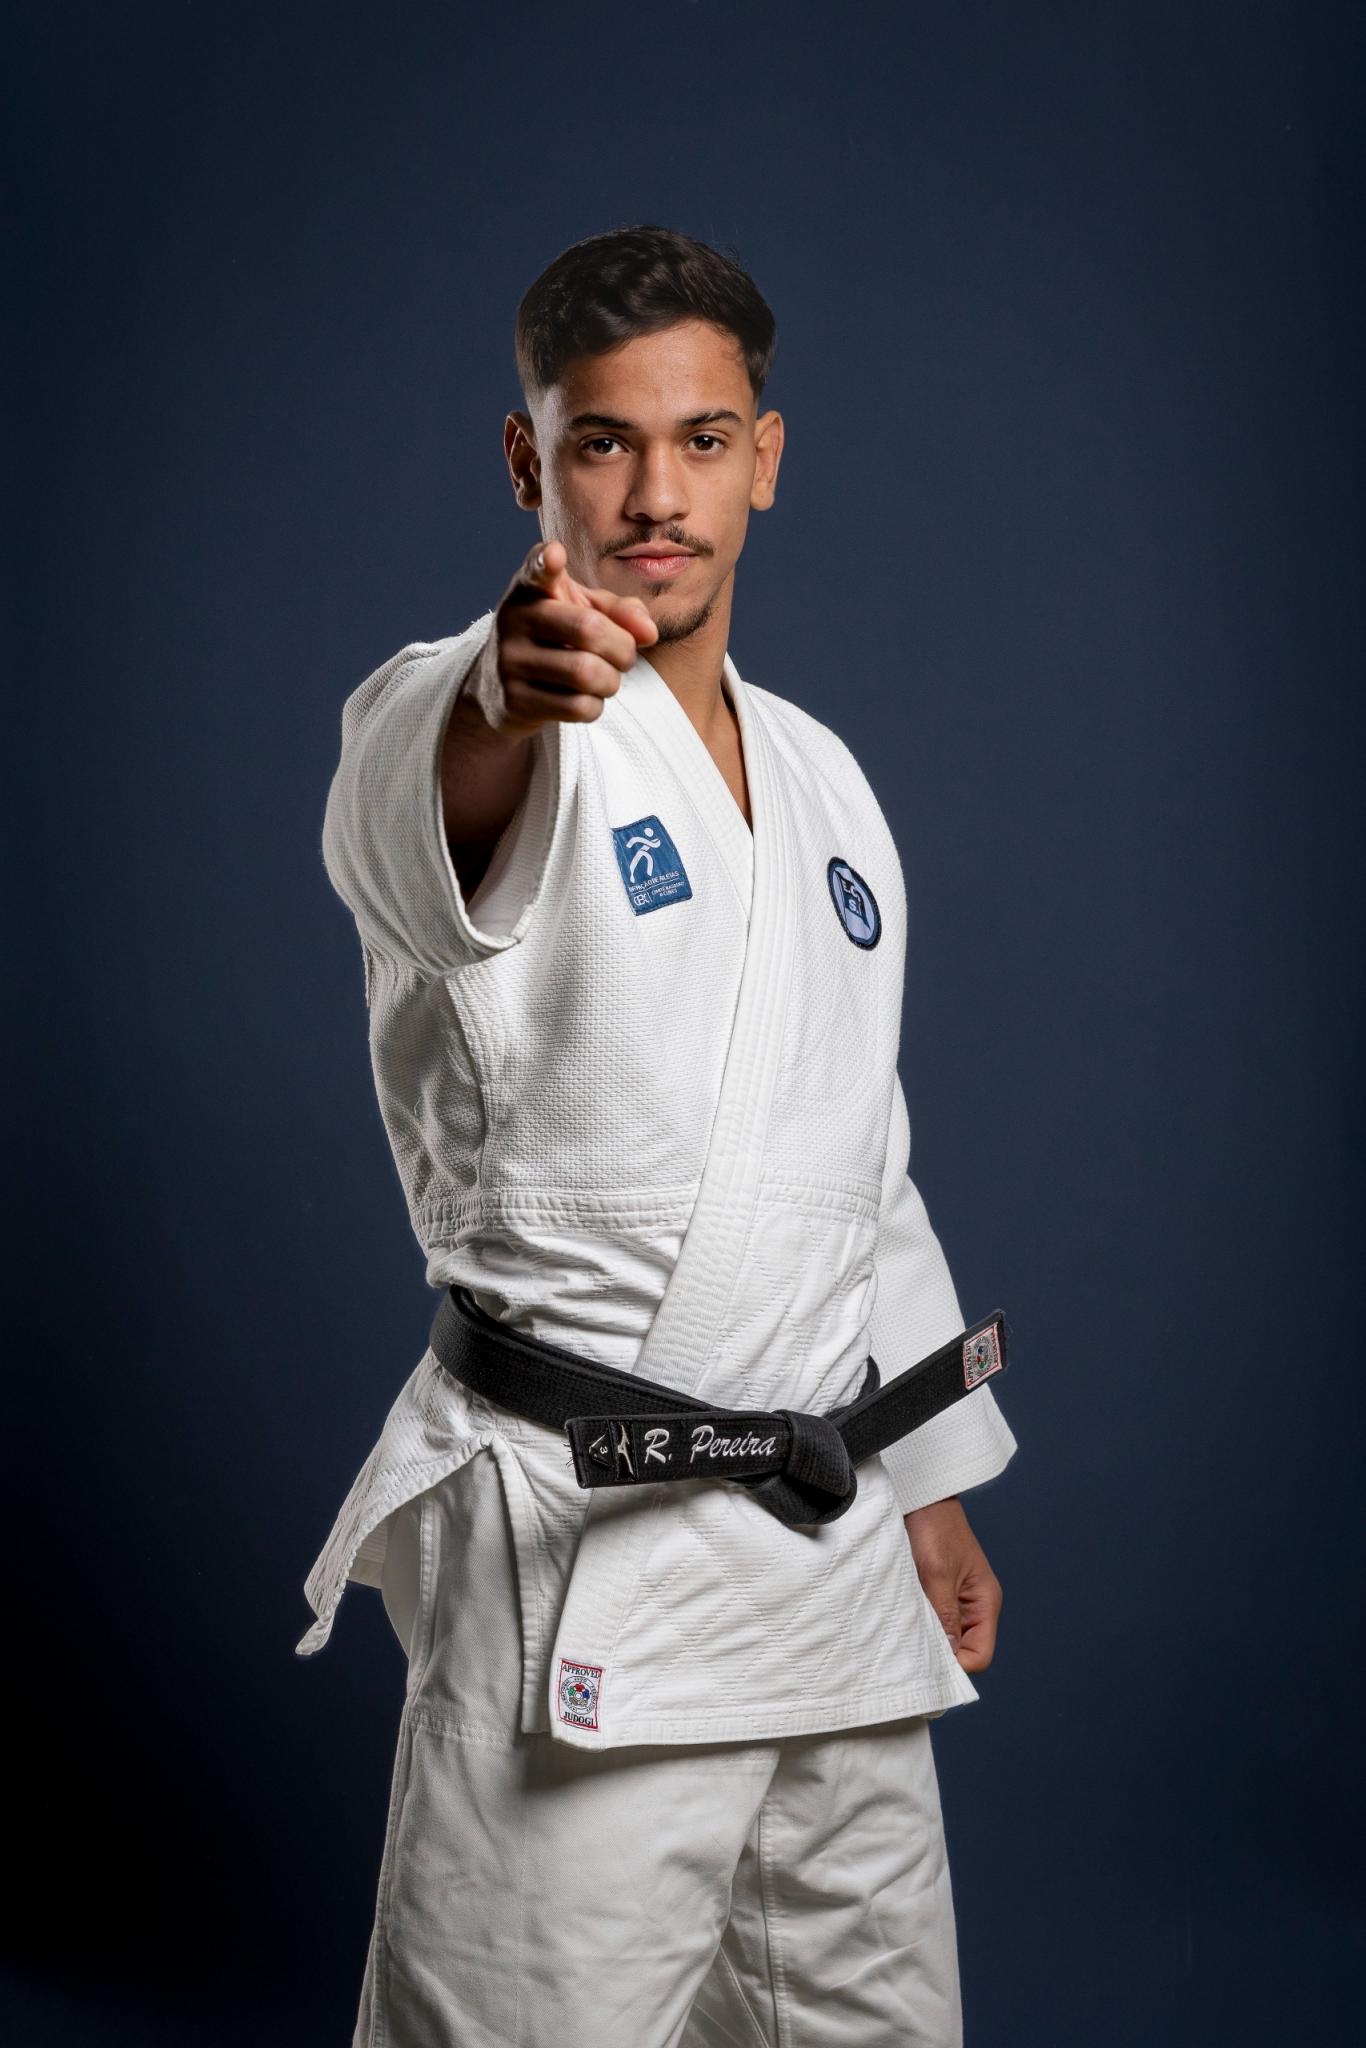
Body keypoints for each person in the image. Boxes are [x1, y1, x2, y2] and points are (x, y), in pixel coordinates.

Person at [296, 223, 1019, 2047]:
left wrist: (929, 1482)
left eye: (700, 440)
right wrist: (498, 686)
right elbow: (414, 805)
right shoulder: (470, 708)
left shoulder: (827, 778)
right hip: (584, 1545)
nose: (653, 494)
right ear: (528, 459)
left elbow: (853, 1154)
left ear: (763, 458)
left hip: (828, 1554)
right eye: (601, 441)